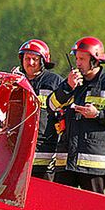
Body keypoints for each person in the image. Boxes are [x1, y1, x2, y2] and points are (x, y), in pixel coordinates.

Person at [47, 36, 105, 193]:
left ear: (95, 60)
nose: (78, 63)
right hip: (65, 161)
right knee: (61, 208)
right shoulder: (71, 82)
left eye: (82, 59)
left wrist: (98, 114)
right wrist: (67, 87)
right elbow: (51, 106)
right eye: (77, 58)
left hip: (93, 164)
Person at [15, 39, 63, 181]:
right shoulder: (15, 80)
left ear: (43, 61)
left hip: (46, 148)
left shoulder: (54, 82)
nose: (30, 62)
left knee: (44, 192)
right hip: (18, 148)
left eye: (34, 59)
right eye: (27, 58)